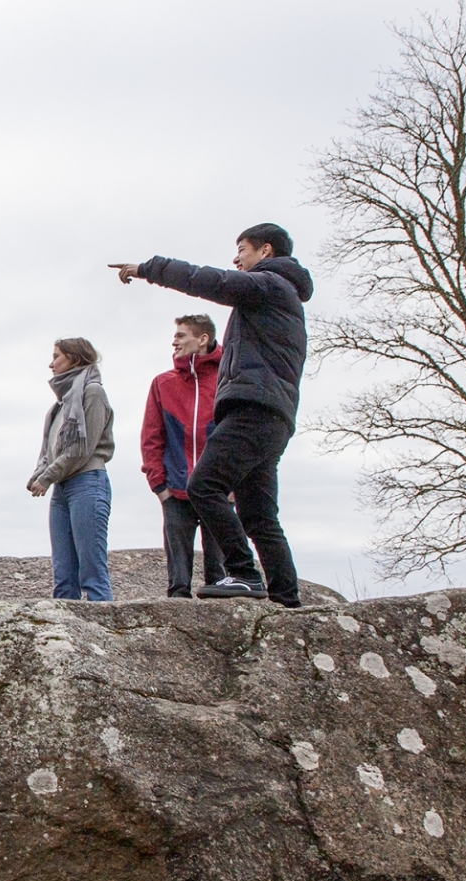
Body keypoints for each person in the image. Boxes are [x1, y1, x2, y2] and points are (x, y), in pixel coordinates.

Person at [110, 222, 313, 607]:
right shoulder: (284, 296)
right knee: (258, 515)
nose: (236, 258)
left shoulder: (269, 284)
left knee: (203, 485)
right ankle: (287, 598)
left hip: (253, 409)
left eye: (242, 249)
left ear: (265, 251)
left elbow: (212, 282)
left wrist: (150, 268)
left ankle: (245, 573)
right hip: (274, 416)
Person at [141, 315, 226, 597]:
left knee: (220, 579)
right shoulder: (163, 383)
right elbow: (151, 437)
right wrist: (159, 485)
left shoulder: (228, 379)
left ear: (202, 339)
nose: (174, 341)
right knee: (178, 585)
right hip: (175, 490)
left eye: (181, 335)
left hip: (218, 489)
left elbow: (240, 436)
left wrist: (236, 485)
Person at [27, 337, 115, 601]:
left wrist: (48, 476)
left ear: (74, 359)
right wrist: (38, 474)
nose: (51, 363)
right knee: (63, 575)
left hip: (88, 482)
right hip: (63, 489)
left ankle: (104, 635)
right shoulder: (61, 405)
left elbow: (81, 448)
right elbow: (48, 449)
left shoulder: (93, 392)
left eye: (57, 356)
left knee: (92, 571)